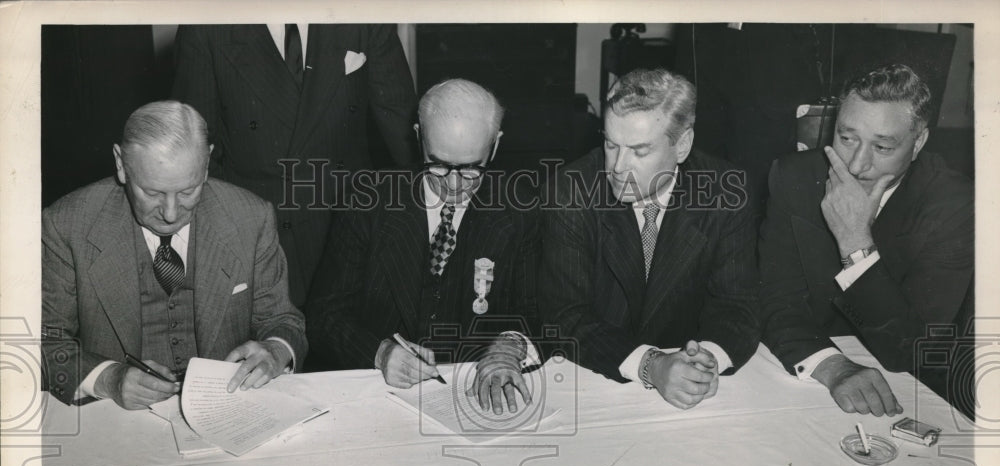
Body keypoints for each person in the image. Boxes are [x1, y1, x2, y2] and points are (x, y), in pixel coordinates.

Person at [42, 100, 307, 410]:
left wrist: (275, 350)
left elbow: (282, 320)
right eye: (152, 193)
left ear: (206, 164)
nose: (170, 213)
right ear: (121, 164)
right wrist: (108, 379)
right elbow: (41, 342)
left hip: (228, 407)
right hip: (115, 415)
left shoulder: (250, 217)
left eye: (187, 191)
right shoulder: (67, 225)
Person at [305, 78, 539, 414]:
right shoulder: (367, 202)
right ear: (418, 137)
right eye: (438, 164)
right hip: (375, 398)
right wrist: (379, 352)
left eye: (472, 168)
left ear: (495, 144)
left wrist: (511, 345)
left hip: (472, 400)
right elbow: (322, 315)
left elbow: (537, 313)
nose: (454, 184)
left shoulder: (521, 213)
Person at [759, 63, 974, 417]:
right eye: (846, 139)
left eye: (882, 147)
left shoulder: (956, 206)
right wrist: (833, 366)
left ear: (918, 143)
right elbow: (776, 301)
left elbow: (908, 351)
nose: (857, 165)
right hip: (810, 366)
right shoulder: (794, 176)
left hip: (904, 388)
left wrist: (855, 243)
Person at [539, 67, 759, 410]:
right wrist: (652, 365)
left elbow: (737, 305)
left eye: (639, 151)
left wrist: (705, 362)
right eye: (611, 145)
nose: (618, 167)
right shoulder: (570, 191)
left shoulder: (726, 191)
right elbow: (565, 314)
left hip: (692, 385)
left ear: (682, 145)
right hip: (598, 381)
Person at [172, 24, 418, 308]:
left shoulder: (363, 16)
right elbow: (195, 152)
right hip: (261, 242)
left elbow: (406, 140)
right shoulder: (206, 27)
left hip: (347, 237)